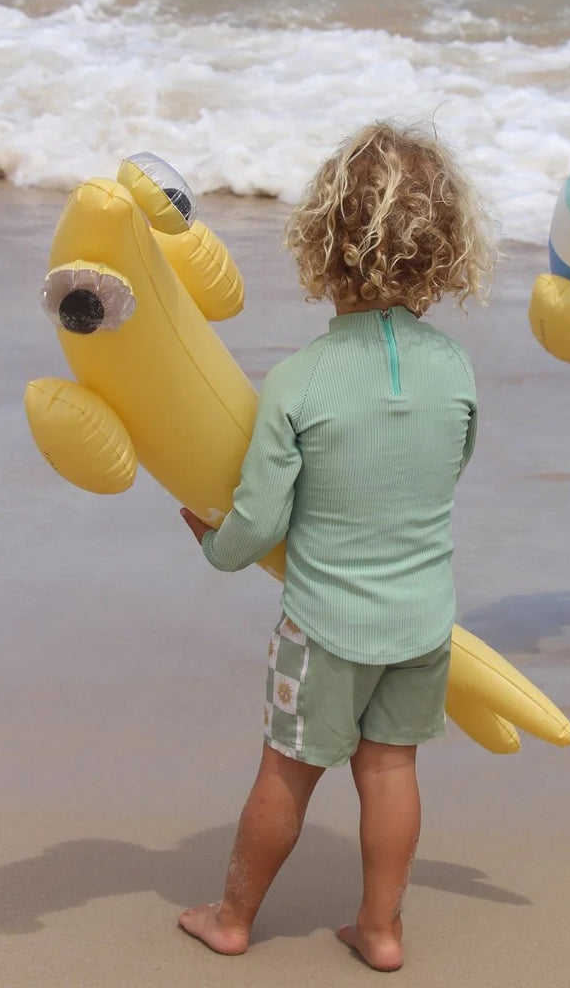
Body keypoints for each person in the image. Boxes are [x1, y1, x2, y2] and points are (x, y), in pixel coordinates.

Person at [176, 120, 494, 970]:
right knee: (391, 772)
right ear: (447, 249)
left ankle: (234, 915)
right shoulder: (456, 371)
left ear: (322, 240)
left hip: (323, 631)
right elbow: (452, 467)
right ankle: (383, 930)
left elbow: (257, 523)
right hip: (423, 625)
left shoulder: (299, 382)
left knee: (287, 771)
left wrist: (212, 542)